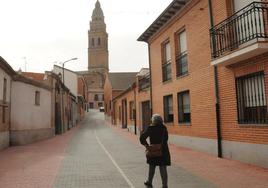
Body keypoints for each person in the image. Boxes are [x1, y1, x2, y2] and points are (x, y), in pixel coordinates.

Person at [140, 114, 170, 188]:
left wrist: (147, 145)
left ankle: (149, 182)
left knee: (152, 166)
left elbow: (142, 138)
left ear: (153, 120)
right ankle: (165, 185)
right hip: (163, 150)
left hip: (153, 150)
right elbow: (166, 139)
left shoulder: (151, 128)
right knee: (163, 168)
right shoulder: (164, 128)